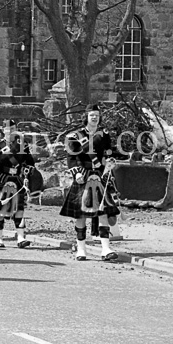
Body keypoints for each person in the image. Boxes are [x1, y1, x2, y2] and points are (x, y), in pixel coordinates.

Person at [60, 104, 121, 262]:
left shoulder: (103, 134)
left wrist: (110, 160)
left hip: (99, 175)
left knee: (103, 212)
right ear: (86, 117)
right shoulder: (75, 136)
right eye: (92, 115)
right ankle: (81, 249)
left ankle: (106, 249)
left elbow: (108, 151)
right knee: (81, 215)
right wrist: (76, 173)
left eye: (97, 115)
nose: (94, 118)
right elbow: (71, 158)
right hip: (83, 175)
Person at [0, 120, 36, 248]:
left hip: (17, 179)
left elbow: (29, 161)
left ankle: (20, 238)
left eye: (12, 128)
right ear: (3, 130)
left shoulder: (22, 144)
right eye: (8, 129)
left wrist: (28, 170)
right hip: (2, 179)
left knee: (19, 209)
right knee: (0, 210)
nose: (10, 131)